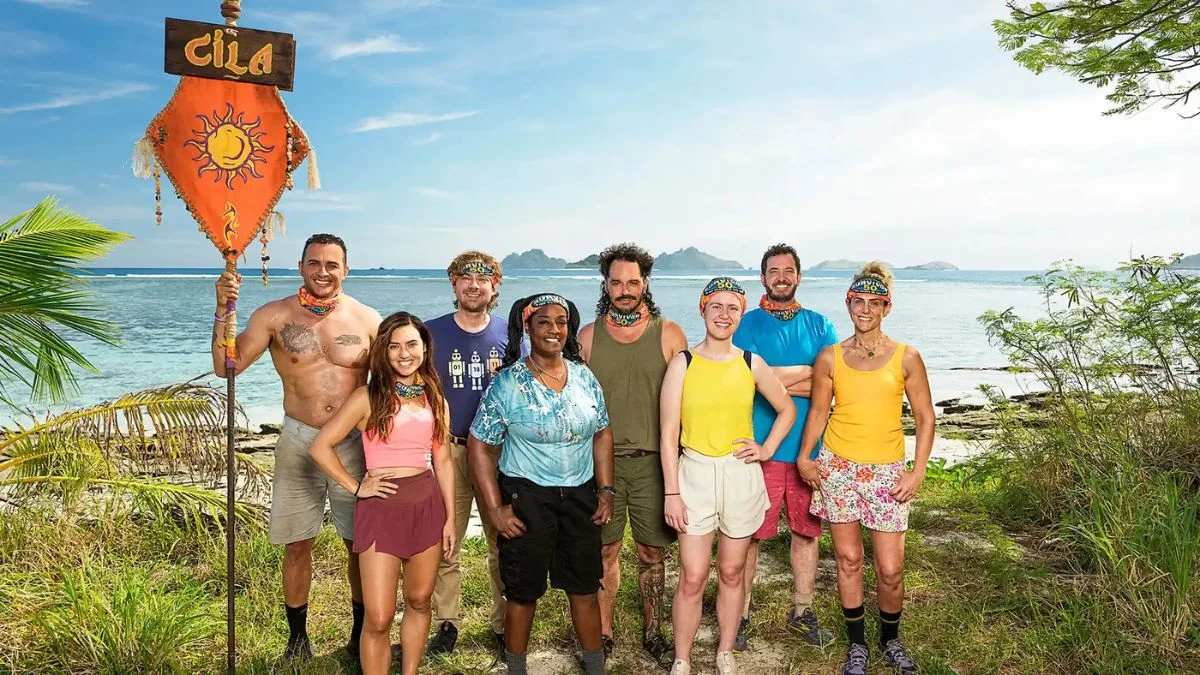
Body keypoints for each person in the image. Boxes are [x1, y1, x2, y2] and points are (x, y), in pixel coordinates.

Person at [213, 233, 382, 661]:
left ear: (346, 270)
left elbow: (396, 377)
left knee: (359, 544)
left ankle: (359, 636)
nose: (323, 272)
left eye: (332, 264)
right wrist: (222, 309)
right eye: (314, 263)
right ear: (301, 266)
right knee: (296, 543)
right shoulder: (274, 315)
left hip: (353, 443)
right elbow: (226, 366)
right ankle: (297, 641)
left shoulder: (367, 319)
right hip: (299, 438)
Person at [796, 262, 935, 675]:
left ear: (887, 307)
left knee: (890, 569)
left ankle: (891, 641)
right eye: (859, 301)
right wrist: (805, 456)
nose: (866, 309)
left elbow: (926, 418)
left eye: (875, 303)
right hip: (838, 468)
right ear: (848, 304)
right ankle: (857, 646)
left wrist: (917, 471)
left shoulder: (907, 357)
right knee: (848, 559)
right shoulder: (830, 357)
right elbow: (818, 412)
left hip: (887, 473)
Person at [467, 293, 614, 675]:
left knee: (585, 587)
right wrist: (495, 508)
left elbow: (602, 433)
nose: (554, 329)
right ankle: (516, 668)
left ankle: (596, 667)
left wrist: (605, 490)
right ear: (527, 327)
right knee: (522, 592)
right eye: (544, 321)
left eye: (561, 322)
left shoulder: (584, 376)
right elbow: (479, 446)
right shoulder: (508, 383)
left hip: (580, 494)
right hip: (527, 496)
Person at [660, 277, 796, 675]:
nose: (724, 314)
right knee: (693, 575)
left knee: (732, 572)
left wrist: (766, 449)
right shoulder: (683, 363)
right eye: (716, 306)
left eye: (732, 308)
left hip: (740, 475)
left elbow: (787, 409)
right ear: (702, 309)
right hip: (695, 473)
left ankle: (725, 652)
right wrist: (672, 492)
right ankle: (682, 658)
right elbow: (667, 433)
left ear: (742, 313)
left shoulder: (750, 362)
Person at [308, 312, 456, 675]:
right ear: (383, 351)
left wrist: (451, 518)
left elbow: (443, 460)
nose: (404, 354)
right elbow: (320, 447)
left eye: (412, 345)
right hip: (380, 510)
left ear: (425, 348)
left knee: (419, 601)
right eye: (394, 346)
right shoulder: (367, 397)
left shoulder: (435, 397)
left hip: (426, 505)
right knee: (378, 616)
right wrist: (357, 486)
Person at [578, 243, 687, 665]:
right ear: (605, 284)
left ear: (646, 283)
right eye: (616, 282)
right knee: (603, 551)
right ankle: (602, 634)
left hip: (653, 464)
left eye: (633, 282)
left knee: (651, 553)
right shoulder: (588, 337)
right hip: (600, 466)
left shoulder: (669, 334)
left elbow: (687, 401)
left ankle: (654, 633)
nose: (625, 290)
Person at [732, 244, 837, 649]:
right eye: (773, 271)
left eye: (788, 270)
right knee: (750, 535)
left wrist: (772, 380)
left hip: (809, 451)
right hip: (760, 449)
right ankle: (740, 615)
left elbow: (829, 386)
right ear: (762, 278)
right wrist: (805, 373)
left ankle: (802, 611)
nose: (781, 277)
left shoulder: (820, 325)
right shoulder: (747, 324)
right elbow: (745, 379)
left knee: (807, 533)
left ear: (798, 276)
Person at [426, 251, 510, 657]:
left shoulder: (512, 335)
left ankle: (505, 623)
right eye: (465, 278)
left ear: (495, 286)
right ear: (454, 283)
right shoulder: (430, 333)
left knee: (504, 540)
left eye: (482, 279)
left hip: (501, 453)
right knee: (446, 540)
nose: (473, 285)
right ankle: (447, 623)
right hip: (451, 449)